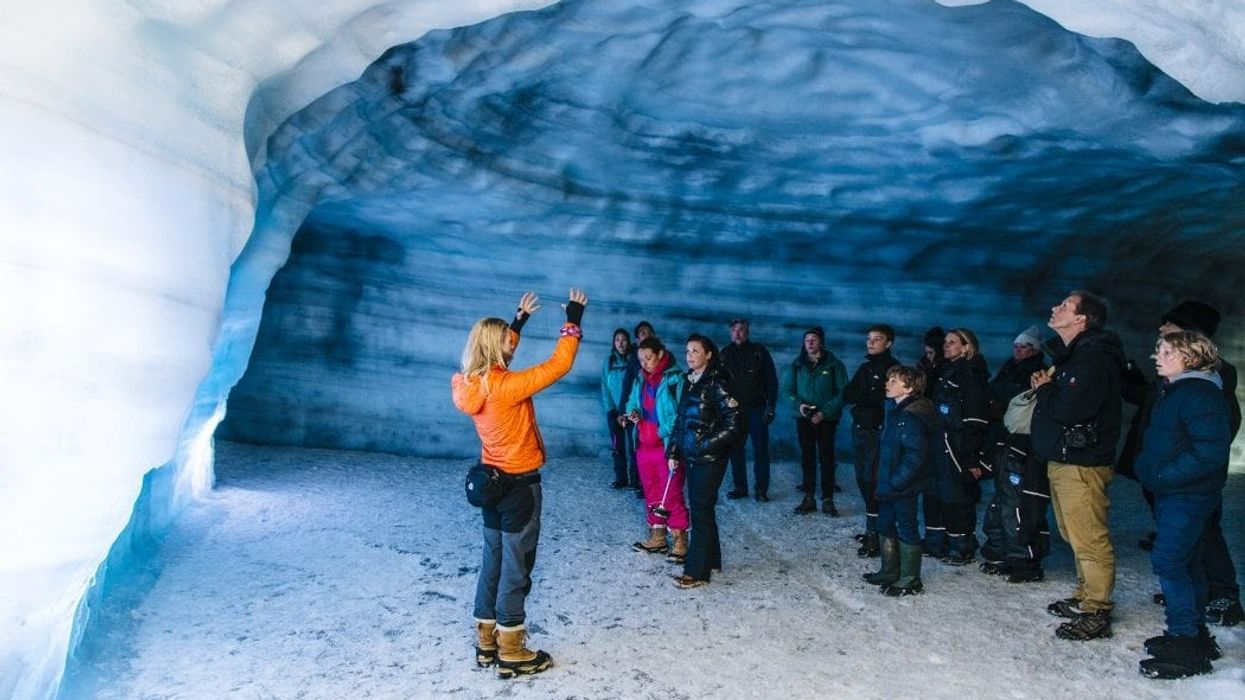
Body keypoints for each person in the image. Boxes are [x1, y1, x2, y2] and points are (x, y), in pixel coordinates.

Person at [451, 289, 587, 678]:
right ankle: (512, 647)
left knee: (492, 560)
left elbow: (503, 351)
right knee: (516, 565)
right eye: (506, 340)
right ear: (495, 347)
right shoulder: (506, 386)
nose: (512, 345)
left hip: (491, 484)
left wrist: (518, 321)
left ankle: (486, 640)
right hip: (519, 487)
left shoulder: (472, 383)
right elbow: (559, 365)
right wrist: (573, 321)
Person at [1119, 301, 1243, 627]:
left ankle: (1224, 596)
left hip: (1187, 479)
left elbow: (1217, 431)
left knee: (1204, 533)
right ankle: (1189, 593)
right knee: (1182, 539)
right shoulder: (1175, 374)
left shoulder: (1214, 375)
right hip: (1165, 474)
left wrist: (1176, 469)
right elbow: (1149, 401)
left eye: (1170, 324)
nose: (1161, 328)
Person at [1134, 331, 1231, 679]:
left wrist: (1165, 476)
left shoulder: (1198, 393)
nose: (1156, 357)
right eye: (1158, 350)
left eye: (1166, 352)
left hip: (1186, 493)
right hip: (1178, 492)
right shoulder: (1180, 390)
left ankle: (1185, 646)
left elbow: (1210, 451)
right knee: (1188, 561)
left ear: (1190, 357)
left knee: (1170, 561)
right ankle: (1196, 636)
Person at [1031, 290, 1124, 641]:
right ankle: (1086, 596)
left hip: (1082, 464)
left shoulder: (1093, 360)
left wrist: (1045, 388)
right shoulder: (1078, 356)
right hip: (1066, 459)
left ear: (1081, 319)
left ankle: (1097, 609)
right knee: (1075, 534)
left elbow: (1070, 409)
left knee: (1090, 538)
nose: (1055, 308)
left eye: (1065, 306)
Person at [667, 334, 744, 589]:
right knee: (703, 509)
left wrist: (703, 444)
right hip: (692, 456)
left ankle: (696, 572)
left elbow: (735, 424)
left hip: (709, 459)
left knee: (700, 511)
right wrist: (674, 451)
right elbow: (681, 421)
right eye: (687, 351)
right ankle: (711, 560)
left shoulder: (717, 383)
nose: (689, 356)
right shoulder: (690, 381)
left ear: (709, 354)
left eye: (696, 351)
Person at [980, 326, 1051, 581]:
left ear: (1035, 350)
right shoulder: (1009, 368)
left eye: (1025, 347)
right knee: (1003, 500)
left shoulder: (1039, 372)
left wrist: (999, 402)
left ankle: (1024, 559)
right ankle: (1004, 552)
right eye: (1017, 346)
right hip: (1005, 440)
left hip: (1024, 442)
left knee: (1018, 504)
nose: (1019, 350)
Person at [863, 365, 937, 596]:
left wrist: (896, 482)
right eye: (888, 379)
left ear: (910, 387)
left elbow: (915, 457)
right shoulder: (895, 411)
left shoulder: (913, 416)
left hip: (903, 486)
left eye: (894, 381)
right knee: (885, 524)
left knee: (906, 527)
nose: (887, 384)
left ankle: (910, 578)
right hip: (889, 483)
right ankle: (889, 571)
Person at [625, 337, 690, 563]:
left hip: (666, 445)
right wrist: (633, 412)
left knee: (670, 492)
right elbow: (632, 401)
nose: (644, 363)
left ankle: (680, 538)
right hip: (644, 444)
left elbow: (682, 414)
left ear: (660, 354)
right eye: (641, 359)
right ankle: (658, 536)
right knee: (652, 491)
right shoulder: (640, 378)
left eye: (648, 358)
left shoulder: (676, 379)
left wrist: (660, 430)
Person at [930, 328, 990, 566]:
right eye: (945, 342)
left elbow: (976, 418)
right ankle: (940, 541)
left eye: (952, 342)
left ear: (966, 347)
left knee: (958, 495)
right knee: (940, 493)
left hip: (959, 444)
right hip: (942, 440)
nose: (946, 345)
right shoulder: (948, 370)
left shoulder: (971, 374)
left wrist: (971, 456)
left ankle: (963, 546)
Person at [843, 324, 901, 557]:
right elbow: (848, 394)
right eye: (869, 338)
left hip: (878, 432)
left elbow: (883, 399)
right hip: (859, 429)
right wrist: (868, 396)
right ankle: (872, 529)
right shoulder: (866, 367)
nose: (871, 342)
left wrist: (864, 396)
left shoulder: (893, 369)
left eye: (877, 339)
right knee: (862, 479)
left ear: (888, 343)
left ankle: (877, 535)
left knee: (874, 482)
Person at [786, 326, 849, 515]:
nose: (810, 342)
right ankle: (808, 497)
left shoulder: (834, 365)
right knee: (808, 457)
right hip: (804, 417)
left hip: (826, 419)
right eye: (807, 340)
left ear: (821, 342)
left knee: (827, 457)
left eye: (814, 339)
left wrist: (825, 412)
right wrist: (800, 405)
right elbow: (787, 390)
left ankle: (828, 498)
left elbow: (843, 392)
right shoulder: (797, 365)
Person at [721, 318, 779, 502]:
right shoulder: (725, 354)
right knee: (736, 450)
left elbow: (772, 380)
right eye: (735, 330)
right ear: (730, 332)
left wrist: (771, 406)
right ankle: (740, 488)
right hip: (734, 412)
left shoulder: (759, 352)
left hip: (757, 409)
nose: (738, 333)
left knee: (760, 450)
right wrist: (722, 408)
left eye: (742, 330)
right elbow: (719, 384)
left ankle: (761, 490)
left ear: (748, 332)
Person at [618, 321, 657, 494]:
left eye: (648, 332)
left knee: (653, 449)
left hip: (654, 412)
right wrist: (622, 411)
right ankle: (636, 480)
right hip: (635, 409)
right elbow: (627, 386)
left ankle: (650, 483)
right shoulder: (634, 359)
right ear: (637, 339)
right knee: (635, 446)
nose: (646, 335)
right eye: (642, 333)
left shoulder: (663, 356)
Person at [601, 328, 635, 489]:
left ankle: (635, 479)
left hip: (631, 410)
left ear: (629, 342)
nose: (621, 343)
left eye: (624, 340)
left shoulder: (634, 360)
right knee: (617, 445)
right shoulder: (609, 362)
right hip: (614, 411)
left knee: (634, 445)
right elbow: (604, 387)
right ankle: (621, 478)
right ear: (614, 343)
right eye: (617, 340)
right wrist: (610, 409)